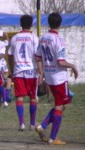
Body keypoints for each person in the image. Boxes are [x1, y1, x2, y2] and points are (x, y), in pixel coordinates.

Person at [35, 12, 78, 144]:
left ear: (49, 23)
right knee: (60, 106)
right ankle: (53, 138)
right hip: (59, 78)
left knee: (62, 103)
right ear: (60, 24)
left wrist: (42, 73)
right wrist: (73, 66)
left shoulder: (42, 38)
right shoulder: (58, 40)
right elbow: (61, 61)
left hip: (49, 77)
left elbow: (37, 57)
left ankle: (42, 126)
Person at [8, 15, 39, 131]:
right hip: (32, 71)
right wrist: (40, 71)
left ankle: (22, 123)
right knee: (33, 97)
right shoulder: (35, 38)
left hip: (19, 71)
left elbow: (10, 56)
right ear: (31, 24)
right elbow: (37, 56)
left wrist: (12, 69)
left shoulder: (15, 38)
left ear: (20, 24)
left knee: (19, 98)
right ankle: (32, 124)